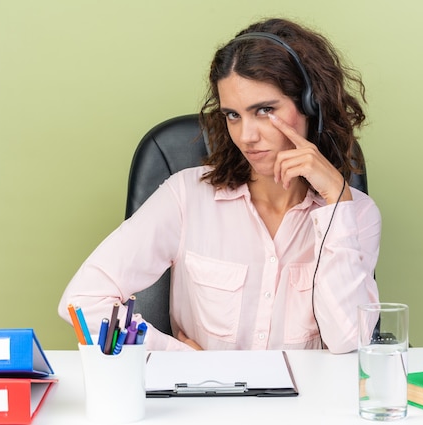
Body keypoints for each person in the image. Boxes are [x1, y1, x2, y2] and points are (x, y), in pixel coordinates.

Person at [58, 17, 380, 354]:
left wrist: (336, 203)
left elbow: (347, 341)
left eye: (265, 110)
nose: (246, 136)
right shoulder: (185, 197)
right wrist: (175, 356)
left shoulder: (356, 214)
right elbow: (81, 300)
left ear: (313, 106)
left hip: (308, 404)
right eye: (233, 115)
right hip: (206, 404)